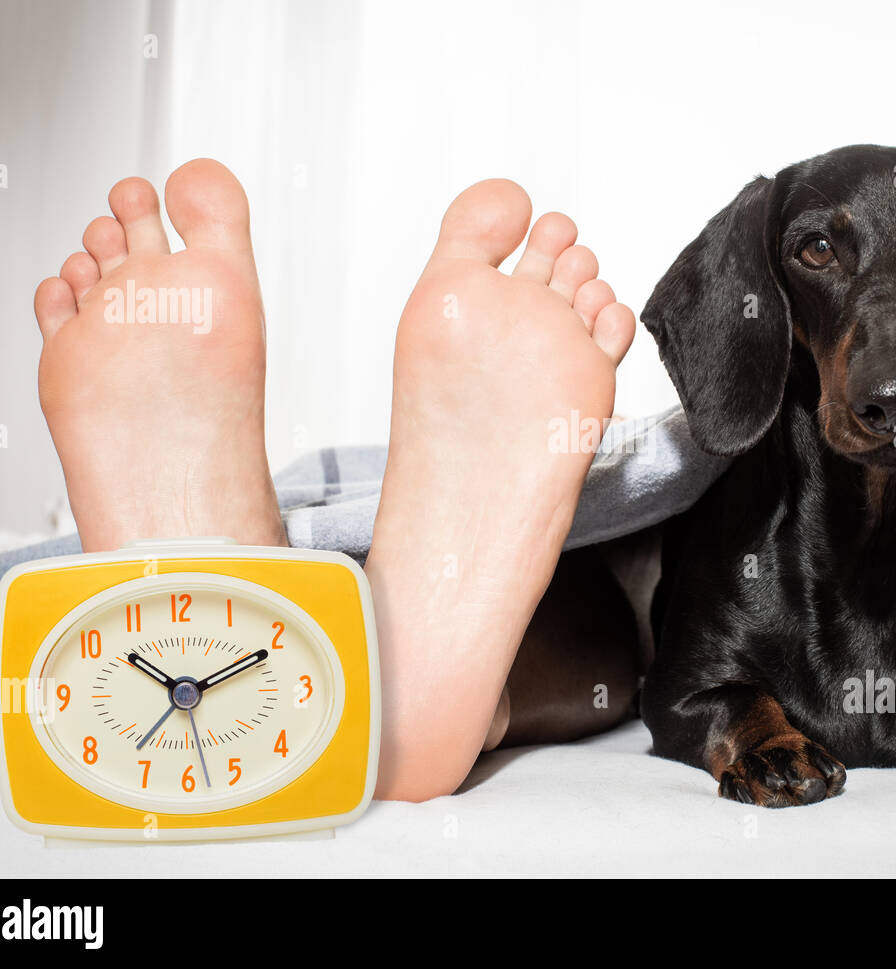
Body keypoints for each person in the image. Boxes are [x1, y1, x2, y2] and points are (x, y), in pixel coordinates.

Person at [32, 159, 637, 801]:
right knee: (620, 636)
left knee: (617, 608)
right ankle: (398, 687)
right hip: (553, 625)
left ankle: (272, 629)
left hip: (428, 568)